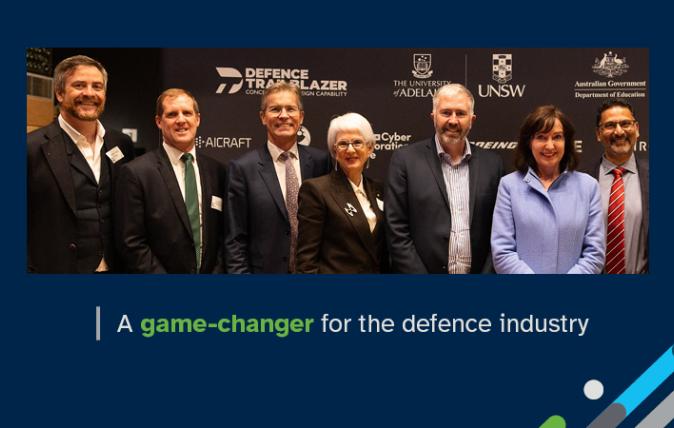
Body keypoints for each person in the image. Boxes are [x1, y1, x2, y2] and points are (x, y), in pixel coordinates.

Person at [27, 55, 135, 273]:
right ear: (59, 93)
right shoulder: (30, 148)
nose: (89, 93)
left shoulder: (121, 144)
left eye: (97, 86)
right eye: (79, 85)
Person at [385, 83, 503, 273]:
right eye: (446, 113)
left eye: (461, 113)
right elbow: (396, 230)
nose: (453, 121)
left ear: (472, 119)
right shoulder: (405, 160)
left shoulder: (493, 164)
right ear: (433, 117)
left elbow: (500, 231)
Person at [115, 89, 226, 273]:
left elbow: (224, 235)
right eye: (172, 114)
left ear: (197, 119)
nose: (181, 120)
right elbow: (131, 243)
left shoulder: (218, 171)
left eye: (187, 113)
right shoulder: (136, 173)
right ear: (159, 121)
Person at [226, 81, 332, 273]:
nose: (284, 115)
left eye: (290, 109)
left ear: (301, 117)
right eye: (275, 109)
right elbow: (235, 239)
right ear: (263, 117)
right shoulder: (243, 169)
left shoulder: (321, 162)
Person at [491, 105, 605, 274]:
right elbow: (502, 252)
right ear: (529, 142)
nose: (550, 145)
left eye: (557, 137)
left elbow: (594, 254)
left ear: (567, 141)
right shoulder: (509, 186)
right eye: (541, 137)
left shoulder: (588, 187)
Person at [295, 113, 387, 273]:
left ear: (370, 147)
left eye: (357, 142)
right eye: (343, 144)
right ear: (334, 151)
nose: (350, 150)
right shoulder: (316, 191)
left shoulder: (378, 189)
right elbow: (306, 261)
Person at [590, 100, 648, 274]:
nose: (619, 131)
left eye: (625, 124)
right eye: (610, 125)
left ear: (636, 129)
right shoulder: (581, 181)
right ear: (599, 134)